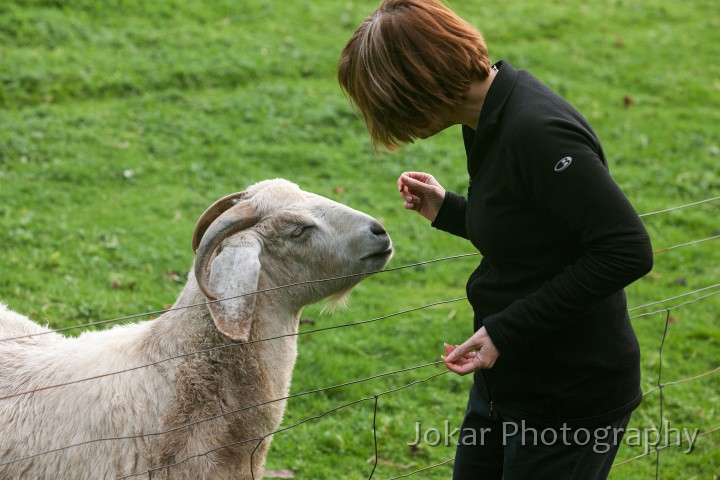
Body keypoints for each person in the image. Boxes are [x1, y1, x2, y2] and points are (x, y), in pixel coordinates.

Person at [338, 1, 654, 479]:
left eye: (385, 104)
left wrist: (504, 331)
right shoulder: (487, 117)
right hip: (507, 380)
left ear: (416, 87)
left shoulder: (536, 132)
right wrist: (447, 208)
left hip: (567, 398)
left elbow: (626, 249)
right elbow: (532, 232)